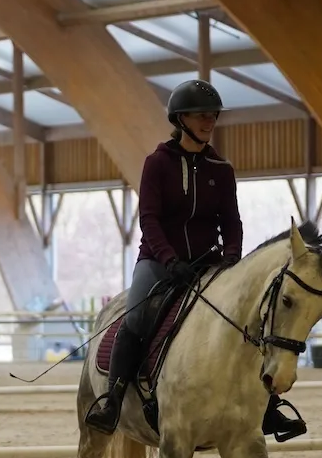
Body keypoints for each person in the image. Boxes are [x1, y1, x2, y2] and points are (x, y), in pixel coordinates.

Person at [87, 79, 299, 438]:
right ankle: (113, 399)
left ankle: (267, 406)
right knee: (136, 318)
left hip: (208, 262)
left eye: (212, 115)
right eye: (201, 115)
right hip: (158, 262)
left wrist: (232, 256)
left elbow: (231, 221)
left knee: (247, 321)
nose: (209, 121)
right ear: (181, 119)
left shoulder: (221, 168)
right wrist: (169, 260)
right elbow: (149, 219)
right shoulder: (157, 164)